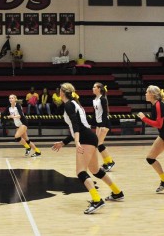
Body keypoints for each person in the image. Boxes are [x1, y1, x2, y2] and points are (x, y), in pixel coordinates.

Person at [52, 83, 125, 214]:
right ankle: (117, 192)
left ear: (62, 93)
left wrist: (77, 141)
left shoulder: (69, 105)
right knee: (95, 170)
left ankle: (97, 200)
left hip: (86, 138)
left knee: (80, 172)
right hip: (90, 136)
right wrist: (64, 142)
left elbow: (75, 125)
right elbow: (78, 126)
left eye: (59, 90)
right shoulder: (75, 103)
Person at [92, 82, 116, 172]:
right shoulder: (95, 99)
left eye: (94, 87)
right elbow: (95, 113)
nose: (93, 88)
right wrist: (93, 123)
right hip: (99, 124)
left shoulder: (103, 99)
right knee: (98, 144)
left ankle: (110, 162)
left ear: (99, 89)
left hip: (105, 124)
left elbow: (105, 113)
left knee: (99, 144)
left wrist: (102, 125)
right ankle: (107, 162)